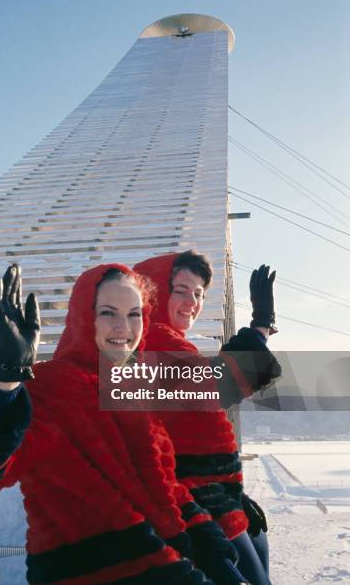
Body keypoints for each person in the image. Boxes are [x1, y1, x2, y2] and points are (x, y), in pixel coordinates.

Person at [0, 262, 226, 584]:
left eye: (134, 314)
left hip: (168, 564)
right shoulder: (51, 386)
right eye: (107, 313)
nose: (123, 327)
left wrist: (212, 548)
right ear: (82, 317)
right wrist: (5, 383)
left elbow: (165, 485)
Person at [134, 251, 281, 585]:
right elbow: (219, 384)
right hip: (194, 506)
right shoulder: (151, 341)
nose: (192, 301)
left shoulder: (166, 341)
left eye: (199, 293)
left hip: (212, 498)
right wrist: (260, 326)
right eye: (181, 289)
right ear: (154, 290)